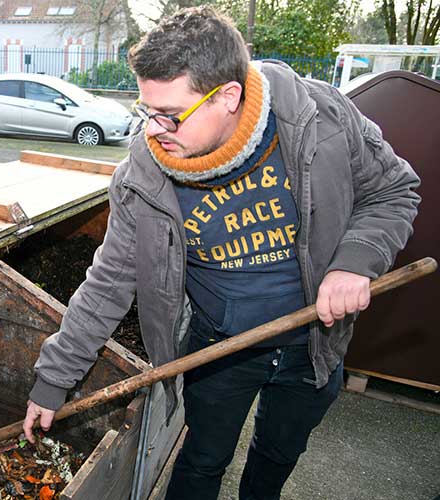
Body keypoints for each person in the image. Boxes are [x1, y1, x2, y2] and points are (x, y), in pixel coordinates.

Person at [22, 6, 420, 500]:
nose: (153, 129)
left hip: (316, 343)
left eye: (171, 115)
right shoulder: (144, 176)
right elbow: (107, 283)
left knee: (276, 457)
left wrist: (353, 262)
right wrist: (53, 379)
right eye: (147, 111)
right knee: (202, 461)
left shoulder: (321, 120)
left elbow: (394, 191)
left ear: (229, 96)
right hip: (219, 348)